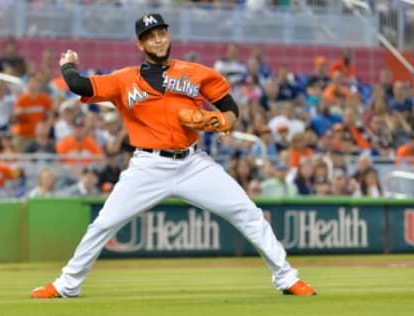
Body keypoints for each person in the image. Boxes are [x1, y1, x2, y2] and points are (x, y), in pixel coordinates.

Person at [30, 13, 316, 299]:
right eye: (150, 36)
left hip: (193, 163)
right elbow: (79, 85)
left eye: (161, 33)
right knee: (104, 223)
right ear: (140, 44)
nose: (158, 39)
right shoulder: (123, 79)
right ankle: (67, 284)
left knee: (247, 212)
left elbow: (229, 108)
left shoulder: (196, 73)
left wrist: (223, 121)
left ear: (168, 36)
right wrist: (68, 65)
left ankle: (287, 278)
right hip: (148, 165)